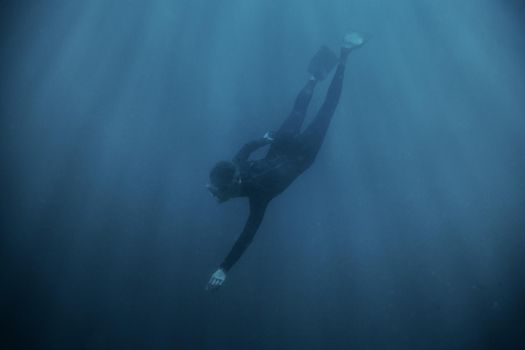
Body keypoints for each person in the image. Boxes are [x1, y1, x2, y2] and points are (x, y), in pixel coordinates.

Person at [206, 33, 365, 291]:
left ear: (234, 180)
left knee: (325, 108)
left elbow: (247, 235)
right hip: (287, 147)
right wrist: (264, 139)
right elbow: (244, 152)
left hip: (300, 154)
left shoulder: (258, 195)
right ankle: (318, 74)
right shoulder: (239, 170)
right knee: (302, 110)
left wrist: (225, 268)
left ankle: (342, 59)